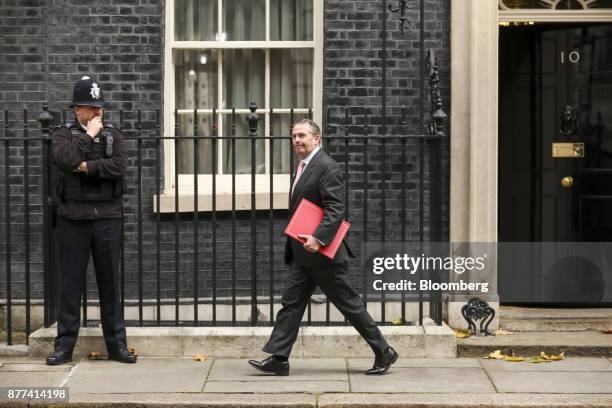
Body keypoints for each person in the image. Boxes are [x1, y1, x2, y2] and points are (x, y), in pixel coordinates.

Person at [248, 119, 397, 375]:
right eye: (294, 136)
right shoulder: (304, 166)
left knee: (349, 305)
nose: (296, 140)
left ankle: (384, 352)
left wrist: (318, 238)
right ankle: (279, 358)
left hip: (322, 254)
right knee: (291, 304)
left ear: (317, 139)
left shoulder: (326, 167)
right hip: (303, 253)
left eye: (302, 135)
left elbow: (336, 209)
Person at [46, 76, 136, 365]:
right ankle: (64, 348)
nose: (97, 112)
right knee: (70, 286)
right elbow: (64, 160)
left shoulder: (114, 134)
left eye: (100, 107)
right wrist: (87, 138)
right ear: (76, 110)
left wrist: (86, 166)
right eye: (90, 107)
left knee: (110, 284)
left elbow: (120, 166)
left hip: (108, 217)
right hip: (73, 219)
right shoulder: (63, 134)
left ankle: (117, 346)